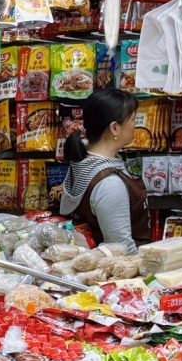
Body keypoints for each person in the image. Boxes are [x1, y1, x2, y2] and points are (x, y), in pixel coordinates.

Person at [58, 88, 149, 247]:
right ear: (115, 128)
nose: (136, 125)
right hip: (121, 268)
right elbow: (121, 249)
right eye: (133, 119)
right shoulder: (110, 183)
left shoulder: (83, 163)